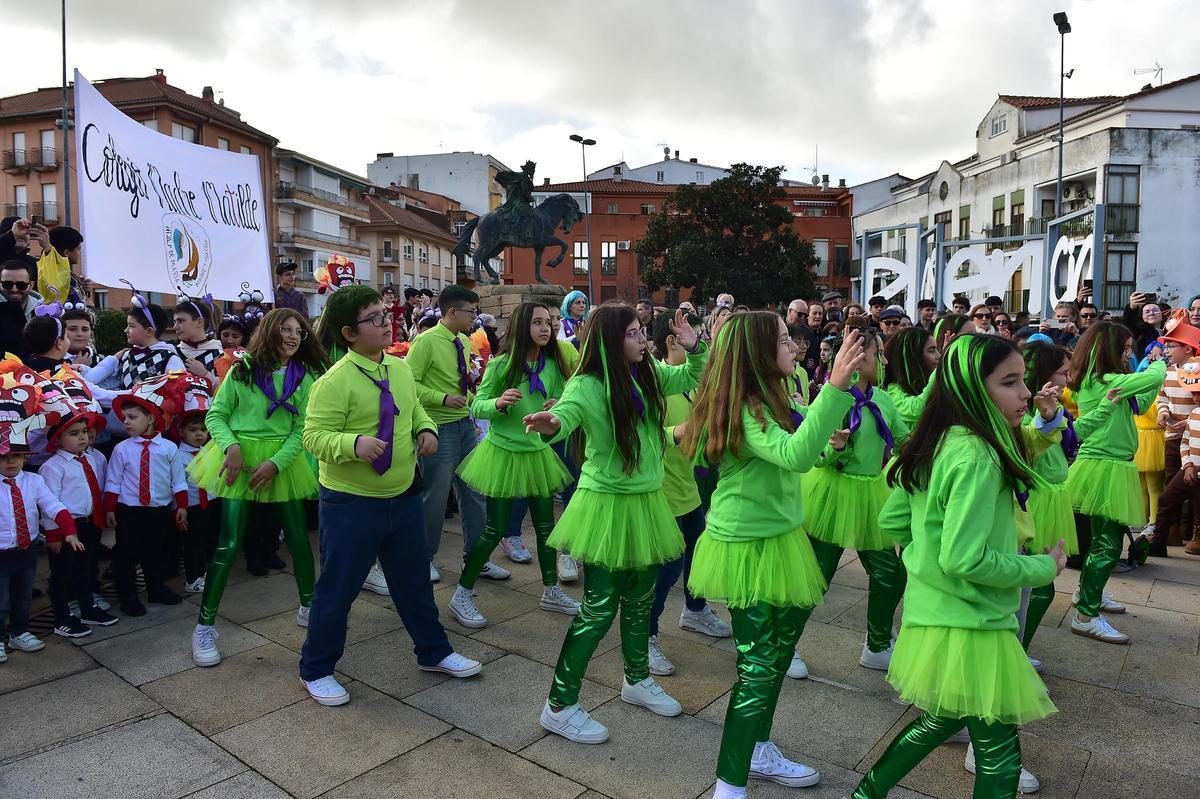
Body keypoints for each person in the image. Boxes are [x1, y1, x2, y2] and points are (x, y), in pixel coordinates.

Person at [850, 334, 1066, 799]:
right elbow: (965, 558)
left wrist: (920, 559)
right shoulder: (977, 456)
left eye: (1023, 381)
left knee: (939, 721)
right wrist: (1042, 570)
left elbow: (894, 518)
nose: (1026, 394)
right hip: (973, 624)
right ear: (972, 389)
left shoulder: (945, 440)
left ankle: (866, 793)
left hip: (940, 615)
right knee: (1000, 758)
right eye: (1010, 383)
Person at [684, 317, 866, 798]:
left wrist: (830, 445)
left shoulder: (773, 398)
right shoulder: (748, 407)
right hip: (748, 545)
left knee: (778, 653)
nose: (794, 346)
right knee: (760, 664)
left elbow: (799, 458)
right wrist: (835, 390)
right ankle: (728, 785)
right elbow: (794, 456)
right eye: (784, 340)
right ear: (760, 354)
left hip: (781, 538)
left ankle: (758, 748)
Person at [523, 305, 706, 744]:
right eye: (632, 333)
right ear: (609, 339)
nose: (642, 338)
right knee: (599, 607)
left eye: (643, 331)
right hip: (606, 506)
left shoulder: (647, 373)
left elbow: (693, 378)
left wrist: (695, 347)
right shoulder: (588, 384)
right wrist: (552, 423)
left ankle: (636, 679)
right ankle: (560, 704)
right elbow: (565, 413)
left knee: (642, 599)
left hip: (646, 503)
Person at [299, 285, 481, 706]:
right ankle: (316, 668)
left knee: (414, 580)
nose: (385, 323)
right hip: (351, 501)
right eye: (375, 318)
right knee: (338, 589)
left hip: (401, 494)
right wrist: (352, 445)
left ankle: (434, 652)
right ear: (348, 332)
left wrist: (425, 429)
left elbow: (414, 406)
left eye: (385, 315)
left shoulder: (398, 369)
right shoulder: (334, 382)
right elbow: (313, 436)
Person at [188, 308, 326, 666]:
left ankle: (310, 607)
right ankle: (204, 627)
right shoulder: (243, 370)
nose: (294, 336)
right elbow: (215, 415)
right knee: (229, 543)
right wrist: (230, 447)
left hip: (283, 460)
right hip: (240, 458)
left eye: (300, 331)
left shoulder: (305, 376)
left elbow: (302, 429)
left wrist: (277, 462)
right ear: (269, 331)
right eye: (286, 329)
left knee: (298, 538)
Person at [449, 301, 580, 627]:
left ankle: (550, 590)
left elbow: (568, 397)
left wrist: (558, 404)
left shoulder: (553, 364)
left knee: (547, 528)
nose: (545, 328)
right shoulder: (503, 364)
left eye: (548, 321)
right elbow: (476, 404)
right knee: (494, 529)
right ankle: (461, 593)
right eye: (537, 322)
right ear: (523, 327)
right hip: (503, 455)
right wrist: (497, 402)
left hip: (537, 455)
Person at [793, 330, 909, 677]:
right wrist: (838, 449)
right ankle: (784, 644)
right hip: (831, 495)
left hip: (872, 496)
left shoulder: (884, 399)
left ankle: (876, 645)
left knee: (890, 574)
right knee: (817, 576)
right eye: (880, 354)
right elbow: (814, 455)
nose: (885, 361)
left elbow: (904, 439)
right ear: (859, 359)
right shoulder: (834, 400)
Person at [644, 312, 733, 677]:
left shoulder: (694, 382)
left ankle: (694, 611)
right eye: (691, 337)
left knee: (698, 556)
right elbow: (645, 432)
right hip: (662, 491)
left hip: (690, 488)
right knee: (666, 568)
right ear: (671, 340)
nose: (700, 345)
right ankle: (646, 636)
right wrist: (673, 432)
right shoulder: (654, 383)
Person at [1066, 321, 1166, 644]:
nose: (1128, 354)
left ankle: (1088, 593)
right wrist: (1161, 360)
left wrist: (1151, 369)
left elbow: (1144, 398)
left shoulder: (1108, 380)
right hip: (1103, 469)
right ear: (1108, 350)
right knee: (1108, 545)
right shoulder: (1103, 380)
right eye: (1124, 349)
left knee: (1100, 541)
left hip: (1107, 467)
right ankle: (1086, 614)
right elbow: (1152, 378)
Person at [406, 285, 507, 583]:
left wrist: (487, 403)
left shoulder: (464, 341)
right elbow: (408, 384)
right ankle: (423, 559)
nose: (474, 318)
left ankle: (477, 560)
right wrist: (441, 398)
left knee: (475, 494)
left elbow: (468, 385)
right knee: (434, 498)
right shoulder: (425, 342)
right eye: (471, 311)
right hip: (439, 428)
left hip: (465, 425)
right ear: (452, 312)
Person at [103, 376, 191, 616]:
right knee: (127, 553)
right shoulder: (122, 449)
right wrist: (110, 509)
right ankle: (128, 594)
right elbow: (113, 481)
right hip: (129, 510)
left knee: (155, 551)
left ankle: (156, 588)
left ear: (151, 418)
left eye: (132, 417)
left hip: (158, 509)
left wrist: (181, 506)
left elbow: (177, 480)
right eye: (125, 418)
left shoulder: (169, 448)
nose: (126, 422)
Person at [39, 407, 118, 637]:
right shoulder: (52, 467)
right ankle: (62, 617)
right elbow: (48, 504)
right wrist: (54, 534)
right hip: (66, 529)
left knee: (85, 569)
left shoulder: (92, 459)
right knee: (63, 574)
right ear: (57, 439)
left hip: (88, 524)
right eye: (74, 433)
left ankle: (87, 608)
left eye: (84, 431)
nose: (83, 437)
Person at [1020, 342, 1077, 653]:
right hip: (1037, 499)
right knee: (1037, 585)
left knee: (1039, 584)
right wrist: (1045, 415)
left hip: (1053, 497)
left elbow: (1072, 436)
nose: (1068, 379)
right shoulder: (1027, 408)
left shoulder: (1057, 405)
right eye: (1063, 372)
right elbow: (1028, 444)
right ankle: (1016, 653)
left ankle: (1018, 651)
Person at [1146, 319, 1200, 555]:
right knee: (1172, 481)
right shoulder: (1168, 374)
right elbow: (1162, 397)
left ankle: (1194, 531)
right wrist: (1164, 413)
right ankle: (1172, 531)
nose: (1166, 351)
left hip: (1194, 437)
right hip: (1174, 436)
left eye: (1171, 346)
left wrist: (1187, 423)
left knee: (1194, 487)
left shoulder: (1197, 372)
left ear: (1187, 348)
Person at [83, 287, 186, 394]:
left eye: (131, 326)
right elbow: (89, 381)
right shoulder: (125, 356)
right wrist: (112, 360)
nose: (125, 330)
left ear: (149, 331)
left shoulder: (169, 358)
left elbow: (178, 392)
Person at [172, 394, 217, 595]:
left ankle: (203, 572)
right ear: (181, 431)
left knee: (207, 539)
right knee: (192, 543)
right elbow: (177, 483)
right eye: (193, 430)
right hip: (191, 506)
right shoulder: (177, 455)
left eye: (203, 429)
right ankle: (192, 577)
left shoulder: (209, 451)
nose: (199, 434)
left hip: (211, 504)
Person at [882, 327, 939, 430]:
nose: (939, 355)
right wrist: (940, 371)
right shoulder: (892, 390)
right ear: (913, 357)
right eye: (931, 350)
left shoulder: (929, 384)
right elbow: (915, 410)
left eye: (937, 349)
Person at [174, 296, 222, 386]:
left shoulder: (219, 355)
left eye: (181, 321)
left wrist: (205, 374)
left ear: (199, 322)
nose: (175, 327)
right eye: (175, 321)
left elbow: (227, 392)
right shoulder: (173, 354)